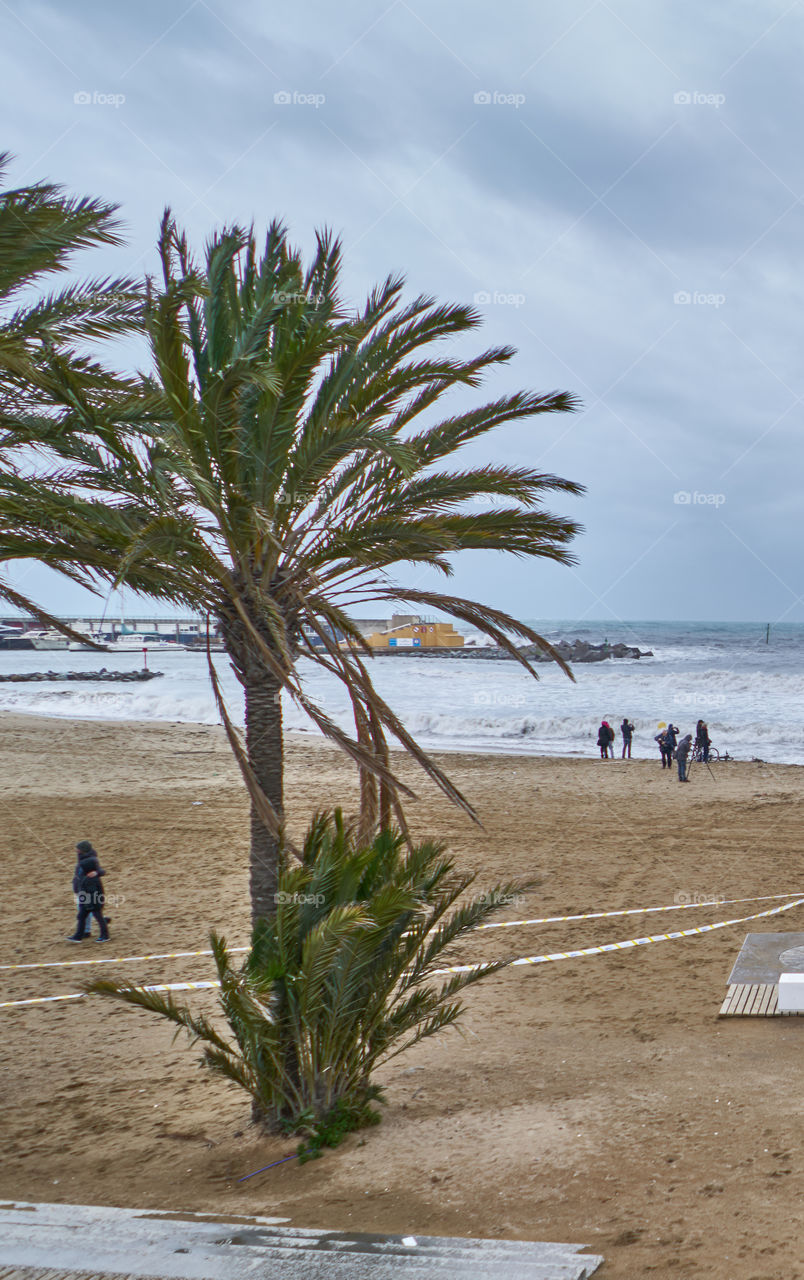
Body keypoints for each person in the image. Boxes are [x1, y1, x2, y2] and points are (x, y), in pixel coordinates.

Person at [67, 840, 109, 943]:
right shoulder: (84, 859)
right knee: (83, 915)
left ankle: (104, 935)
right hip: (84, 893)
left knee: (95, 914)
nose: (76, 850)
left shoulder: (88, 862)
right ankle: (79, 935)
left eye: (78, 848)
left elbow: (98, 874)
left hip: (90, 895)